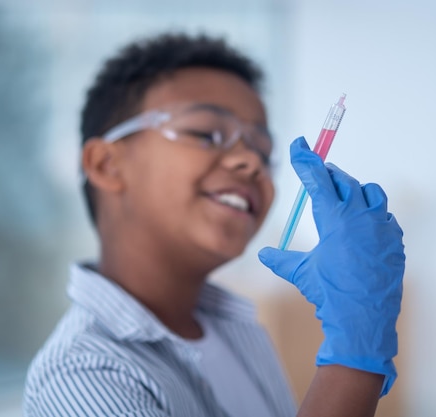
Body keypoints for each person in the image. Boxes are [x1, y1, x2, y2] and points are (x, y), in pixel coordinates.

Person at [23, 32, 405, 417]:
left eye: (262, 150)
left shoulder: (237, 328)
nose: (251, 162)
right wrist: (354, 361)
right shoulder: (84, 377)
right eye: (206, 133)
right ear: (107, 164)